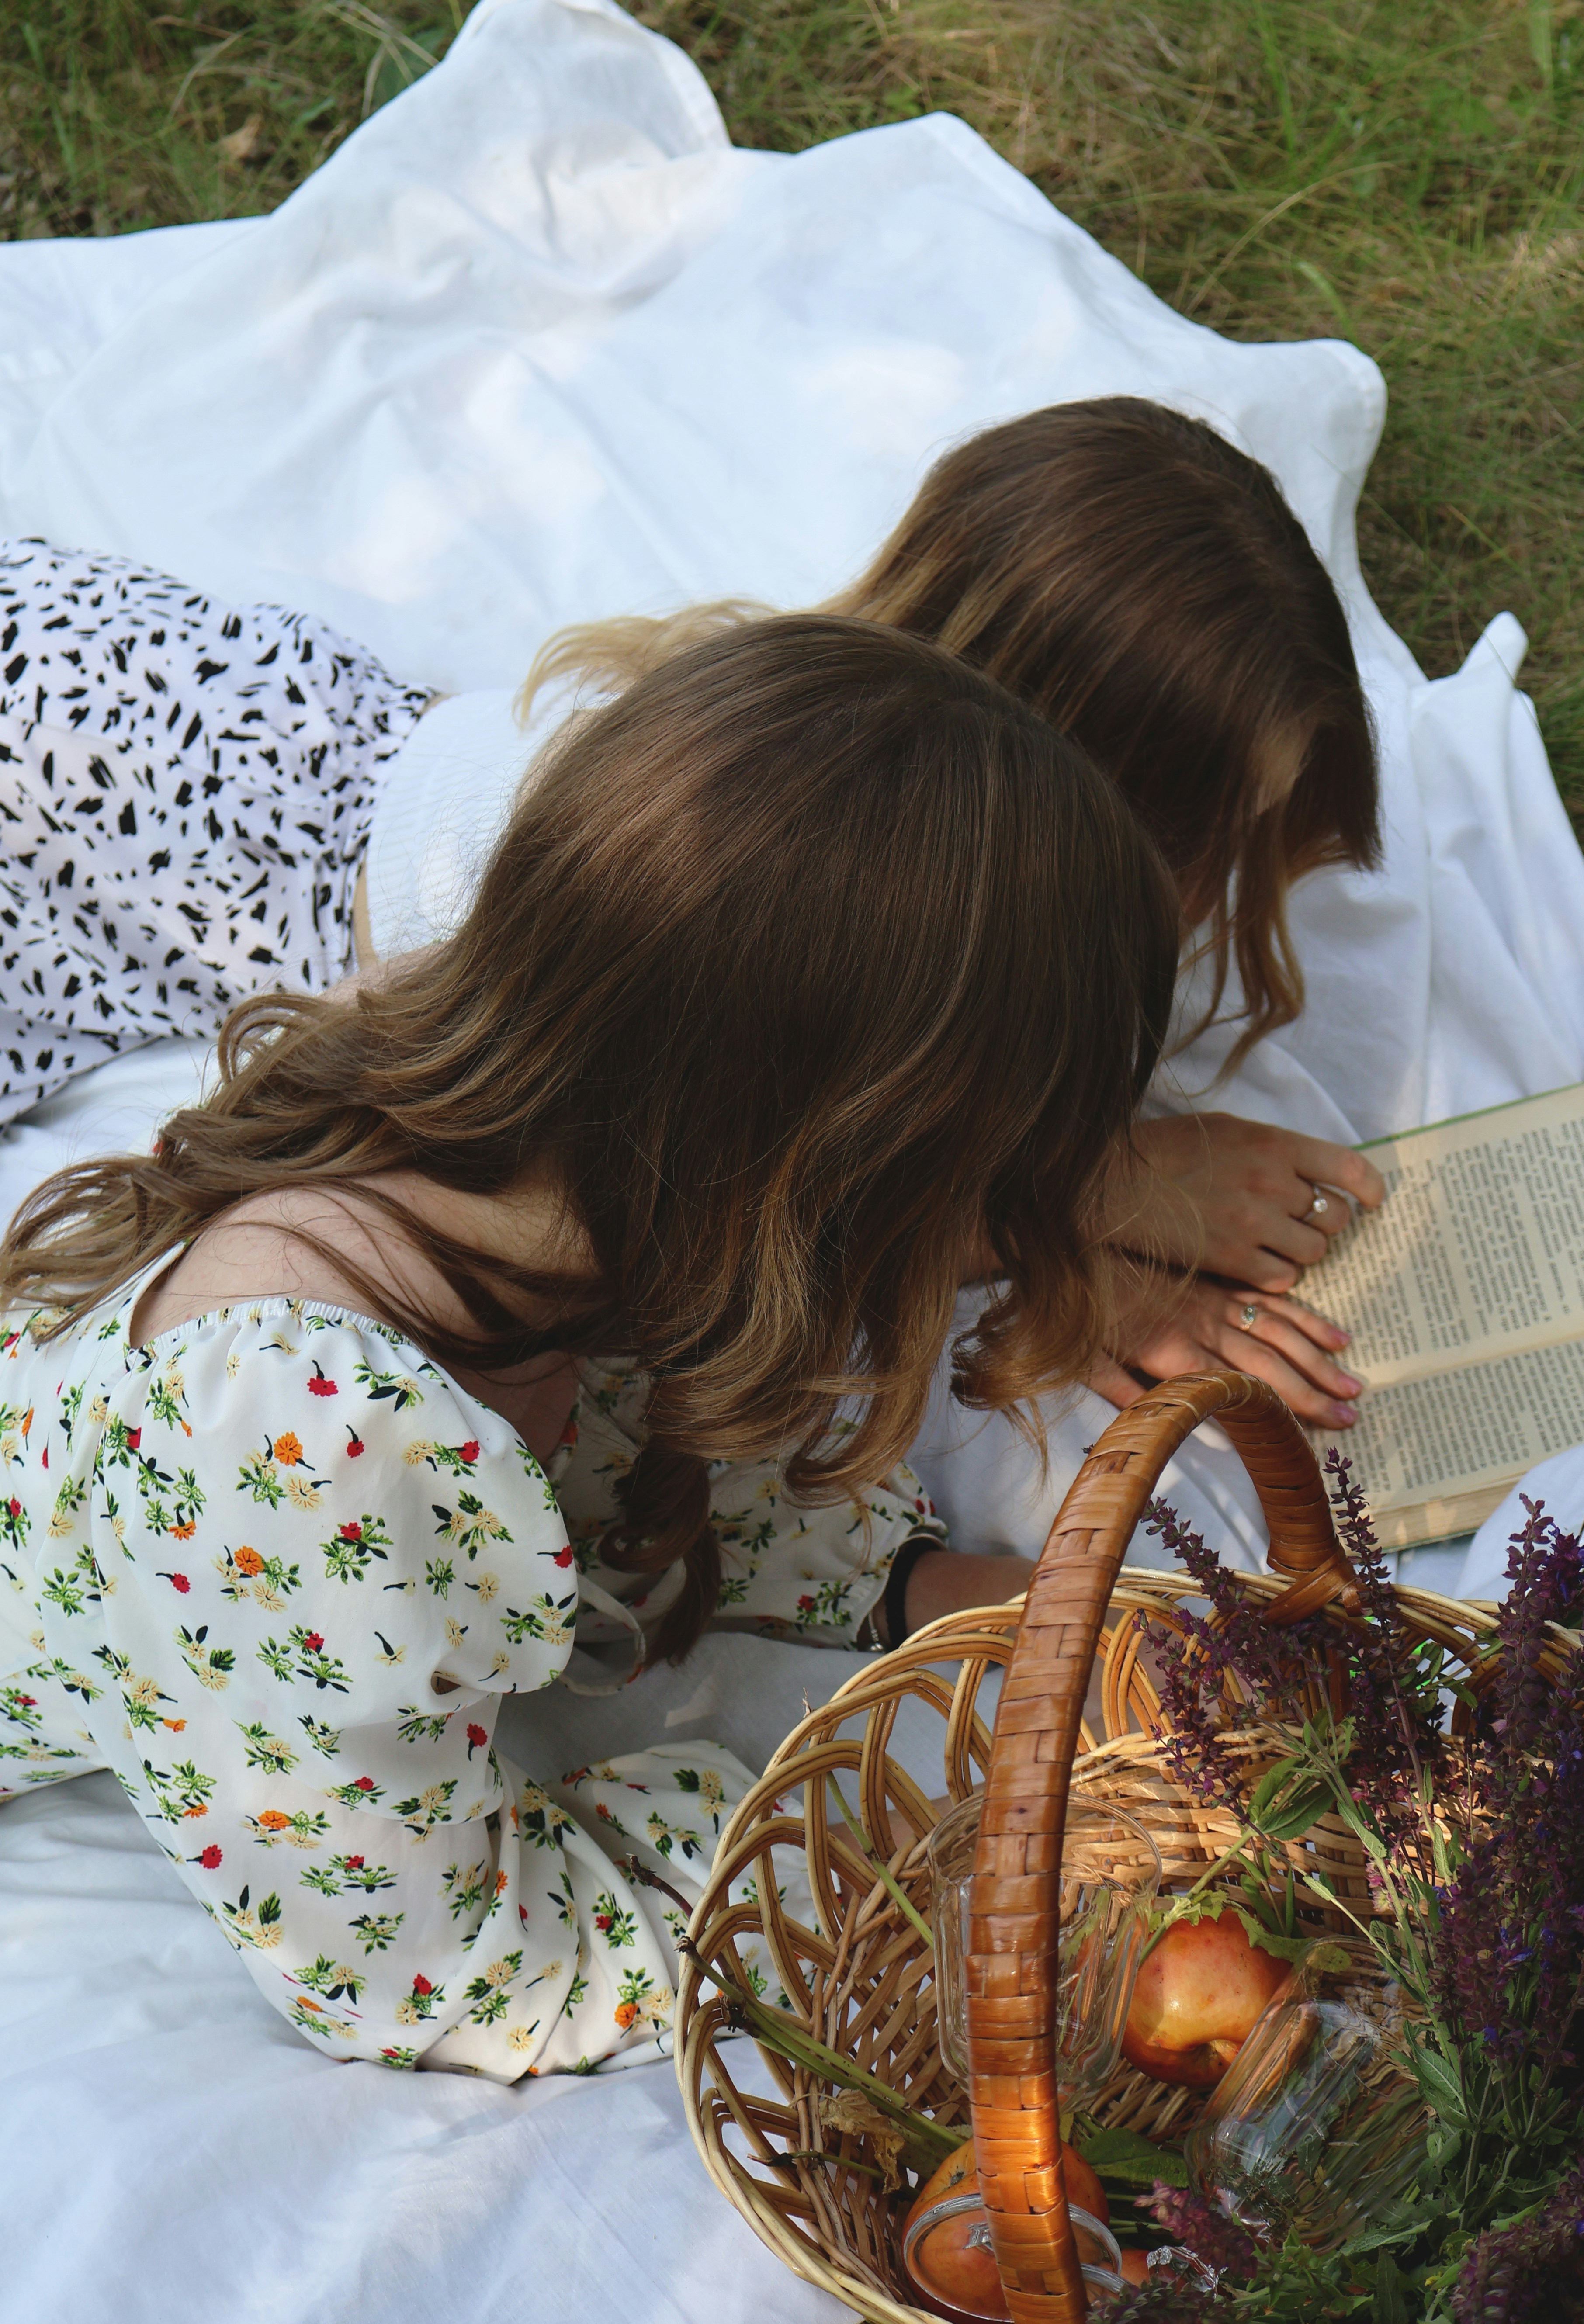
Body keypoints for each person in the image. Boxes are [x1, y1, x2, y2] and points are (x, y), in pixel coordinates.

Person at [0, 614, 1177, 2077]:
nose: (997, 1246)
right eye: (986, 1196)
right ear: (816, 1180)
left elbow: (632, 1446)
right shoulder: (296, 1447)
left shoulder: (559, 1149)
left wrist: (919, 1586)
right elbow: (441, 1975)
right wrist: (907, 1856)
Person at [0, 399, 1384, 1472]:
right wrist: (1072, 1221)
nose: (1214, 910)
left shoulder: (756, 767)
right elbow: (730, 1215)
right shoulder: (642, 922)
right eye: (1203, 851)